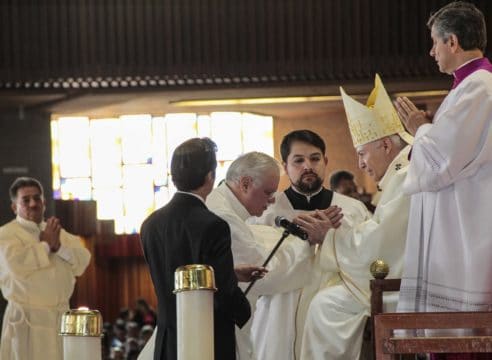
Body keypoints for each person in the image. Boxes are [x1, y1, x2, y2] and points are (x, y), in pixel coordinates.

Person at [394, 2, 492, 359]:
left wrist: (419, 128)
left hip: (465, 226)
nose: (431, 51)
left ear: (452, 42)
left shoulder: (479, 88)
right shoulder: (465, 88)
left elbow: (440, 161)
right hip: (458, 219)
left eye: (434, 42)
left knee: (463, 339)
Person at [300, 74, 413, 359]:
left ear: (386, 145)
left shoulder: (406, 175)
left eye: (363, 153)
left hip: (407, 286)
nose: (361, 163)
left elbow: (383, 241)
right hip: (409, 277)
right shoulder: (403, 170)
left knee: (324, 307)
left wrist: (331, 236)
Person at [251, 130, 371, 360]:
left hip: (332, 319)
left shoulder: (352, 210)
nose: (308, 166)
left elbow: (365, 261)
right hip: (278, 315)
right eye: (298, 160)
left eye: (315, 159)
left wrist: (332, 238)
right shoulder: (267, 212)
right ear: (285, 166)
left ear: (325, 162)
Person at [140, 138, 262, 360]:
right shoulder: (212, 224)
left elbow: (174, 272)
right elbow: (224, 293)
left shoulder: (150, 224)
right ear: (210, 176)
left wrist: (232, 272)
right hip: (207, 337)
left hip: (168, 338)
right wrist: (246, 311)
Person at [206, 151, 323, 360]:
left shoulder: (224, 206)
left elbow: (261, 244)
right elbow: (265, 272)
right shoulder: (223, 217)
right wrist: (306, 241)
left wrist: (297, 228)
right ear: (245, 184)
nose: (271, 201)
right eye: (268, 192)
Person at [0, 176, 91, 360]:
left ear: (44, 202)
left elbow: (82, 260)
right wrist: (46, 247)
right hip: (26, 321)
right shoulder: (6, 234)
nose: (33, 203)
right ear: (14, 207)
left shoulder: (55, 231)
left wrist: (59, 248)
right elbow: (15, 264)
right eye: (26, 200)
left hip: (58, 319)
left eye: (37, 198)